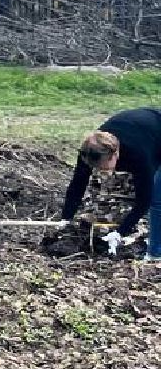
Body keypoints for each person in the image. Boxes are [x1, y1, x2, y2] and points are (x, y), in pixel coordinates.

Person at [60, 110, 160, 262]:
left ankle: (155, 254)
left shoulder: (139, 155)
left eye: (103, 166)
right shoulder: (90, 151)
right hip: (142, 128)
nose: (100, 170)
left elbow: (143, 200)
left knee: (157, 198)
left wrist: (120, 233)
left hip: (154, 133)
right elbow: (77, 184)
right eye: (96, 167)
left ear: (115, 154)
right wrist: (66, 218)